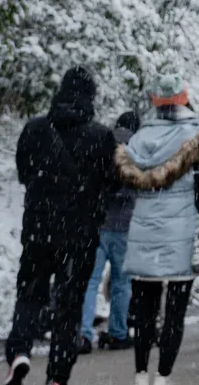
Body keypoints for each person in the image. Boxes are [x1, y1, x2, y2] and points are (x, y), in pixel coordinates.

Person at [9, 69, 144, 385]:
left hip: (38, 231)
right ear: (90, 98)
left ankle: (18, 352)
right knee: (69, 305)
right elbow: (113, 182)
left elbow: (23, 172)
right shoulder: (100, 137)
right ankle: (57, 375)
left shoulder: (35, 129)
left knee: (30, 295)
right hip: (79, 237)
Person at [122, 79, 199, 385]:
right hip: (184, 231)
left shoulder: (140, 136)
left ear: (154, 101)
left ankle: (139, 374)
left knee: (145, 308)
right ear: (185, 100)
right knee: (175, 308)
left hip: (143, 231)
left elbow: (125, 176)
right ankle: (163, 376)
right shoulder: (198, 134)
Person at [78, 109, 143, 353]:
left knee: (90, 281)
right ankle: (118, 333)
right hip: (125, 227)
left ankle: (83, 334)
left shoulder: (101, 143)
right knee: (121, 283)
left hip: (97, 224)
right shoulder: (138, 150)